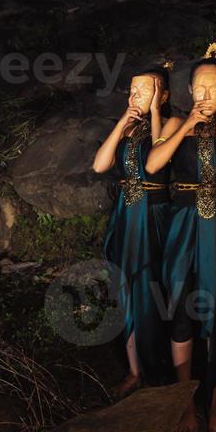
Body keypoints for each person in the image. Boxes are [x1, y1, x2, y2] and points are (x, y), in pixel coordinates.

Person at [146, 42, 216, 432]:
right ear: (190, 90)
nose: (206, 95)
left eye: (215, 88)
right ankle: (185, 403)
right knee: (181, 307)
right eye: (200, 88)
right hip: (183, 224)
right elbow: (154, 165)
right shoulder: (175, 124)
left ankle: (213, 403)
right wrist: (188, 123)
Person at [94, 64, 172, 399]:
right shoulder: (126, 129)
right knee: (124, 284)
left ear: (163, 96)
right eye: (131, 90)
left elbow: (158, 159)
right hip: (126, 212)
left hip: (153, 213)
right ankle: (134, 370)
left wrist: (154, 112)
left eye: (144, 90)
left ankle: (160, 370)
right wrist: (121, 124)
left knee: (152, 285)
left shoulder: (171, 125)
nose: (135, 96)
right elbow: (99, 165)